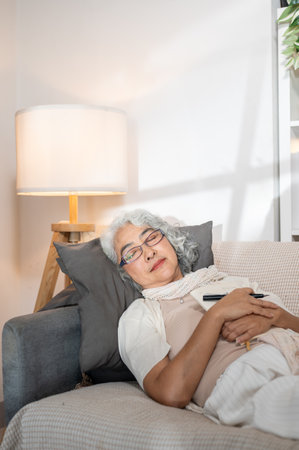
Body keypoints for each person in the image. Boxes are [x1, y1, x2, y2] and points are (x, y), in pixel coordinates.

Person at [101, 209, 299, 439]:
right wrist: (216, 315)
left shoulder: (225, 280)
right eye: (132, 252)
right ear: (125, 272)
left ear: (168, 239)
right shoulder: (140, 315)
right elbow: (171, 392)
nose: (149, 253)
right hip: (249, 376)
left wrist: (276, 318)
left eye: (151, 238)